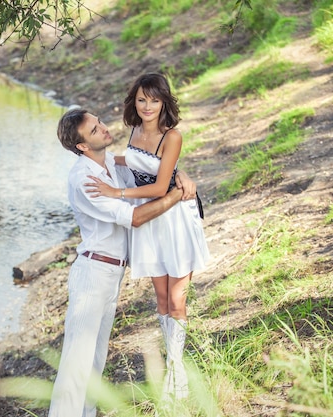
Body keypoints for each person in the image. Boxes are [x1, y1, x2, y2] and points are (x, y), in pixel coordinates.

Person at [49, 108, 197, 417]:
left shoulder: (109, 167)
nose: (104, 128)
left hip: (111, 273)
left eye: (99, 122)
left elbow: (154, 172)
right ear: (82, 147)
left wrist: (179, 175)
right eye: (94, 130)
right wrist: (175, 196)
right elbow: (135, 217)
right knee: (76, 365)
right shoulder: (84, 179)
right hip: (93, 274)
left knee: (94, 363)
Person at [84, 73, 210, 400]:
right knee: (162, 299)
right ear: (134, 102)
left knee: (178, 297)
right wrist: (101, 160)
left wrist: (116, 191)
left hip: (174, 218)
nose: (148, 106)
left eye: (155, 100)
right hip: (150, 221)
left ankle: (177, 369)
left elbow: (158, 185)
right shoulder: (135, 131)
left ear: (164, 102)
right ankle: (171, 362)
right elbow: (133, 161)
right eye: (142, 99)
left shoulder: (173, 137)